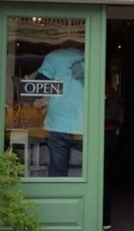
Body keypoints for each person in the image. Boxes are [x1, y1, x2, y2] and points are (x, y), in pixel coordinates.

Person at [34, 46, 85, 177]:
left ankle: (57, 196)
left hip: (57, 123)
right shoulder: (89, 56)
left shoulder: (53, 56)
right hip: (84, 123)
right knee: (93, 169)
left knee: (57, 171)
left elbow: (41, 84)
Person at [103, 80, 124, 230]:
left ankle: (103, 217)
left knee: (99, 177)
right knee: (103, 176)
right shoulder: (113, 91)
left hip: (102, 133)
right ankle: (105, 219)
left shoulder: (99, 86)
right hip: (110, 133)